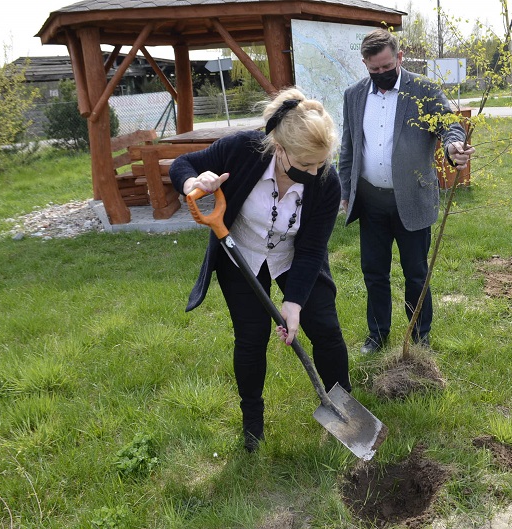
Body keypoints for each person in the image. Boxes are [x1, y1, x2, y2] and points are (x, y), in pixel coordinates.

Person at [169, 88, 351, 452]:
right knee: (251, 340)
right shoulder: (241, 150)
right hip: (242, 259)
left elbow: (313, 247)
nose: (316, 173)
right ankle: (252, 426)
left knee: (327, 332)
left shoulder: (325, 183)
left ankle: (343, 412)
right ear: (280, 150)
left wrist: (294, 302)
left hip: (294, 258)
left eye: (321, 164)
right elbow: (181, 165)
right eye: (307, 165)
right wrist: (195, 183)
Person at [338, 28, 475, 354]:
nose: (382, 74)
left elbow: (448, 124)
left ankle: (419, 337)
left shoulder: (423, 90)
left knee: (416, 273)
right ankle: (377, 335)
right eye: (375, 70)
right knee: (374, 272)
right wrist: (346, 191)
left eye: (387, 67)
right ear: (365, 64)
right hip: (371, 201)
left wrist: (454, 145)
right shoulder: (354, 95)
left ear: (399, 57)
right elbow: (349, 148)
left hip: (412, 199)